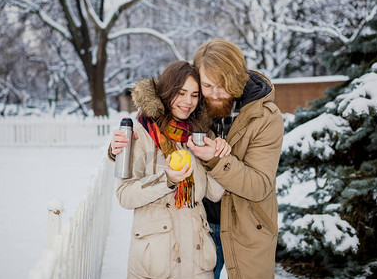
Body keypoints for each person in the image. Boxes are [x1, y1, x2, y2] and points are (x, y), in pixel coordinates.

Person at [107, 61, 231, 278]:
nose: (188, 102)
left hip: (198, 262)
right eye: (181, 93)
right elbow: (125, 195)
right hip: (156, 262)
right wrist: (167, 179)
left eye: (194, 95)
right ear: (166, 92)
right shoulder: (140, 132)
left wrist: (217, 157)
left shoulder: (200, 134)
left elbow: (215, 193)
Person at [185, 38, 284, 279]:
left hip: (248, 227)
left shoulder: (265, 117)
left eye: (223, 85)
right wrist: (120, 148)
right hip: (196, 226)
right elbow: (151, 131)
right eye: (207, 86)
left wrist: (217, 161)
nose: (215, 94)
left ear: (238, 78)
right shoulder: (189, 103)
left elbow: (260, 184)